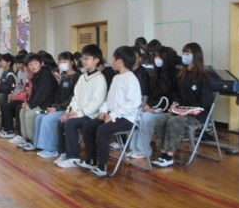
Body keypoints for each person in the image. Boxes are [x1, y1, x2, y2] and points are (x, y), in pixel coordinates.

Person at [77, 46, 143, 177]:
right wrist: (103, 111)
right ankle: (91, 159)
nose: (111, 61)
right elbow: (109, 100)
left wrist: (113, 114)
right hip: (114, 116)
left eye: (113, 59)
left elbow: (134, 103)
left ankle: (102, 166)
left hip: (128, 119)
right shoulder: (116, 77)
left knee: (103, 130)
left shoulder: (131, 79)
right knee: (88, 125)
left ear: (120, 61)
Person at [152, 42, 213, 167]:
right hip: (181, 111)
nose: (184, 56)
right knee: (162, 120)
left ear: (196, 55)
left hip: (196, 115)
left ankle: (169, 156)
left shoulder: (203, 78)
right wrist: (176, 103)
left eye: (187, 53)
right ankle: (162, 153)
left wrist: (187, 110)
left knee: (174, 122)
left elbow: (205, 101)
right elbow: (177, 93)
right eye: (183, 53)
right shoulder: (181, 74)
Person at [55, 44, 108, 168]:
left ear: (96, 60)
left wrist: (78, 114)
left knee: (70, 123)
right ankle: (63, 153)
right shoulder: (82, 77)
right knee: (62, 121)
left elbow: (96, 103)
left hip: (92, 115)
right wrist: (68, 112)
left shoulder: (100, 79)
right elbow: (75, 98)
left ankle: (73, 157)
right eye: (82, 58)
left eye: (87, 58)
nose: (83, 61)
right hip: (79, 113)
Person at [128, 45, 177, 159]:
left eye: (159, 57)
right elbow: (151, 93)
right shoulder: (156, 73)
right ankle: (133, 148)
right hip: (154, 107)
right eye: (156, 56)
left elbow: (168, 98)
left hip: (165, 110)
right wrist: (148, 106)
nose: (156, 59)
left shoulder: (173, 76)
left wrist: (151, 106)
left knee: (146, 118)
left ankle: (144, 150)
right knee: (137, 115)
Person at [33, 51, 80, 158]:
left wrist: (58, 108)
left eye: (65, 61)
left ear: (71, 62)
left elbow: (72, 98)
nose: (62, 63)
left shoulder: (77, 77)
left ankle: (52, 148)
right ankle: (40, 146)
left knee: (48, 119)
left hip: (69, 109)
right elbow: (58, 94)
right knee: (39, 117)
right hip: (59, 107)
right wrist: (54, 106)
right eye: (60, 61)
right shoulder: (64, 76)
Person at [14, 53, 58, 149]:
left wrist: (31, 105)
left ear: (41, 63)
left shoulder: (46, 75)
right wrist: (27, 102)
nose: (32, 66)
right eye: (30, 64)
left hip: (47, 106)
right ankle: (27, 139)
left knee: (29, 114)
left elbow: (42, 94)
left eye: (35, 63)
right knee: (22, 111)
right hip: (40, 103)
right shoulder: (36, 76)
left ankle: (35, 141)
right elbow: (34, 93)